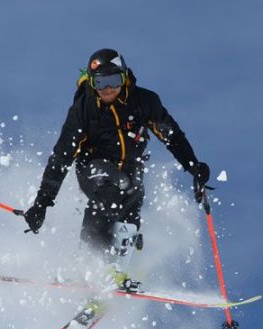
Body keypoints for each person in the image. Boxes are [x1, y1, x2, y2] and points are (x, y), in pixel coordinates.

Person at [21, 48, 210, 291]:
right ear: (91, 82)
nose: (107, 89)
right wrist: (41, 204)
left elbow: (171, 135)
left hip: (130, 170)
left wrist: (193, 166)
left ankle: (115, 272)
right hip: (94, 167)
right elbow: (61, 159)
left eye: (113, 81)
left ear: (124, 77)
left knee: (130, 214)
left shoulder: (144, 102)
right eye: (100, 83)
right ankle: (90, 264)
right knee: (110, 192)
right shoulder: (83, 111)